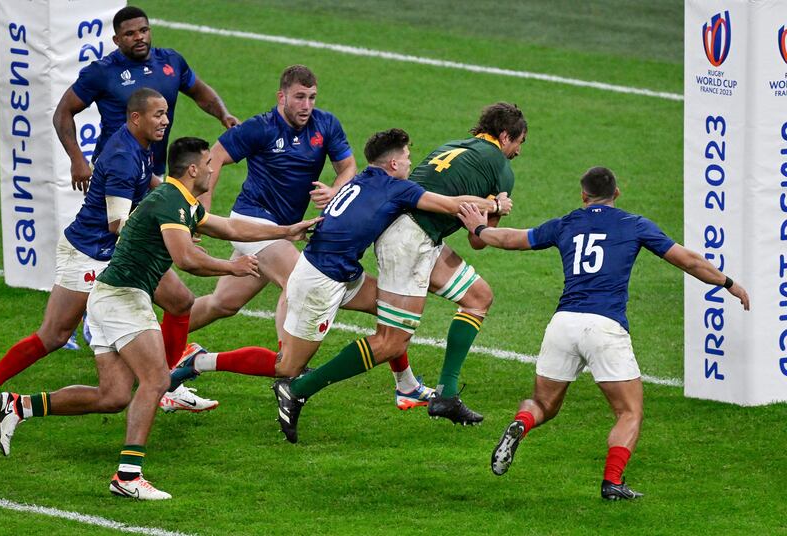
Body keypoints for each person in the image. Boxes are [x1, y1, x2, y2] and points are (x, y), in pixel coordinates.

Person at [0, 137, 319, 500]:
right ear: (193, 169)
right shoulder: (170, 201)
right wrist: (233, 266)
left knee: (114, 396)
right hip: (123, 298)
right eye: (208, 164)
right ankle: (128, 476)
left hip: (109, 297)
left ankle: (19, 405)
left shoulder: (180, 200)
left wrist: (285, 231)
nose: (213, 169)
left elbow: (229, 228)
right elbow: (186, 259)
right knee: (156, 380)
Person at [170, 129, 505, 429]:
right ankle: (198, 361)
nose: (409, 162)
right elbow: (453, 204)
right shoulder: (396, 188)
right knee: (286, 367)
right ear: (392, 164)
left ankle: (406, 385)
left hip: (343, 274)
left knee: (391, 317)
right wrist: (494, 204)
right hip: (320, 281)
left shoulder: (362, 178)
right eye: (406, 157)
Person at [456, 166, 750, 500]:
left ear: (584, 195)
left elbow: (513, 239)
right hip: (605, 327)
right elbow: (688, 260)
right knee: (629, 412)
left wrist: (479, 228)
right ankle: (612, 482)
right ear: (617, 193)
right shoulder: (634, 224)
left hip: (563, 324)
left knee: (542, 404)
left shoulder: (566, 223)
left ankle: (522, 423)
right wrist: (727, 282)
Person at [273, 103, 526, 439]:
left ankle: (446, 395)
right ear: (505, 136)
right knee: (391, 342)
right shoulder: (502, 170)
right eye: (519, 142)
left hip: (416, 235)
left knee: (478, 296)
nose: (518, 151)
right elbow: (478, 240)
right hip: (411, 243)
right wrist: (496, 208)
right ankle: (298, 388)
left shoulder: (452, 146)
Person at [184, 65, 431, 406]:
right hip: (252, 223)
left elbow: (348, 167)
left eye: (312, 97)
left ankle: (158, 340)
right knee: (295, 279)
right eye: (299, 97)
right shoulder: (260, 127)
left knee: (222, 303)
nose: (306, 105)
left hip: (286, 231)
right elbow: (215, 158)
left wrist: (335, 190)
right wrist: (202, 211)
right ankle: (289, 369)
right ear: (281, 96)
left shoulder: (325, 125)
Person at [0, 88, 212, 414]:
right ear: (136, 118)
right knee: (54, 335)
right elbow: (117, 223)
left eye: (166, 113)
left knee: (180, 301)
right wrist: (170, 232)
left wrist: (173, 205)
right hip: (90, 252)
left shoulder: (142, 144)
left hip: (123, 252)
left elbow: (147, 181)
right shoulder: (122, 157)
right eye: (158, 114)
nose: (166, 120)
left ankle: (165, 386)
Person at [54, 5, 238, 188]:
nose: (139, 37)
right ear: (116, 40)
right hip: (114, 170)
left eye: (143, 30)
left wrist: (224, 115)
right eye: (130, 34)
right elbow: (63, 112)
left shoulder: (171, 61)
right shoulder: (101, 72)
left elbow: (200, 91)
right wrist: (77, 159)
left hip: (153, 171)